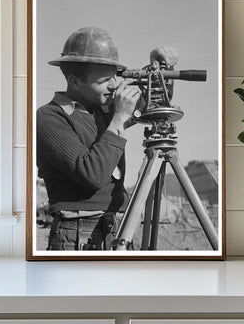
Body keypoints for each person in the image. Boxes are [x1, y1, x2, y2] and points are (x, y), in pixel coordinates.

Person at [36, 26, 178, 251]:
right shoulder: (50, 117)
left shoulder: (103, 108)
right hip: (78, 233)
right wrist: (120, 117)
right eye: (104, 80)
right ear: (74, 81)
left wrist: (159, 66)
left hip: (117, 227)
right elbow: (92, 174)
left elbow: (156, 106)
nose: (114, 85)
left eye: (115, 76)